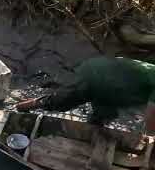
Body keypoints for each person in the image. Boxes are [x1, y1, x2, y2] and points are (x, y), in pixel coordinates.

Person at [16, 56, 155, 132]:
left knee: (104, 116)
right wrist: (149, 139)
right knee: (59, 103)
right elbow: (150, 119)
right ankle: (24, 106)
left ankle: (89, 136)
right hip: (97, 75)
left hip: (112, 89)